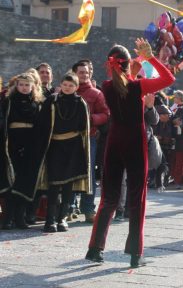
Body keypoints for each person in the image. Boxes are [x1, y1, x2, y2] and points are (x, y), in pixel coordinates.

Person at [86, 38, 175, 268]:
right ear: (128, 64)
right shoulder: (139, 86)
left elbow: (121, 82)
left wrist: (133, 69)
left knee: (108, 198)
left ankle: (95, 249)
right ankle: (135, 253)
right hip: (135, 141)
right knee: (137, 199)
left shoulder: (106, 86)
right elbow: (169, 78)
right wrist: (150, 57)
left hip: (114, 141)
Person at [37, 73, 91, 233]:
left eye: (71, 86)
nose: (67, 88)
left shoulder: (80, 102)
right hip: (55, 146)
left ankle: (62, 219)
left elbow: (83, 125)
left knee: (68, 184)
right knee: (54, 184)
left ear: (76, 87)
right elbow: (42, 122)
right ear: (61, 84)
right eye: (65, 85)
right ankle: (50, 220)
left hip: (73, 146)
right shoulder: (52, 101)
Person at [0, 73, 43, 230]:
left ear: (33, 87)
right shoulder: (8, 101)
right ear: (16, 86)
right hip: (11, 144)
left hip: (30, 145)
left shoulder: (37, 103)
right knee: (11, 181)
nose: (24, 88)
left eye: (27, 85)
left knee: (25, 181)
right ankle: (8, 218)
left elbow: (40, 126)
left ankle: (20, 217)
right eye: (21, 84)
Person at [72, 60, 110, 224]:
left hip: (89, 137)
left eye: (86, 73)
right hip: (68, 138)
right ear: (75, 73)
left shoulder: (96, 93)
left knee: (89, 174)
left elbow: (105, 114)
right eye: (81, 72)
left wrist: (90, 119)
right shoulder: (68, 90)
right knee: (69, 174)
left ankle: (88, 209)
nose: (84, 75)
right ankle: (69, 208)